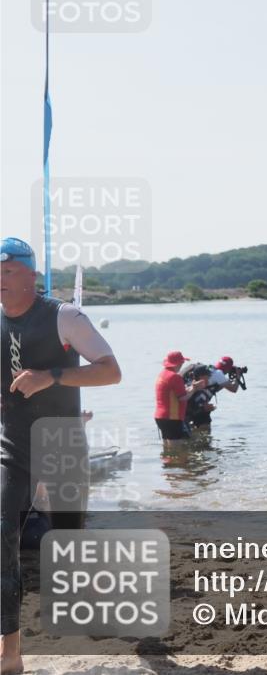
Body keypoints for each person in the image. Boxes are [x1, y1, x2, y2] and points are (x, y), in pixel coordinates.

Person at [0, 238, 121, 675]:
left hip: (62, 442)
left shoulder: (63, 316)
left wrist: (51, 377)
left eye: (9, 270)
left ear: (31, 275)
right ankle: (10, 653)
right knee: (3, 539)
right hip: (13, 447)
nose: (0, 279)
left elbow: (111, 371)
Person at [155, 351, 206, 445]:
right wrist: (194, 389)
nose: (182, 365)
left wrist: (191, 387)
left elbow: (175, 393)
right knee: (178, 451)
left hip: (161, 417)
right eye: (182, 363)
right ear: (178, 363)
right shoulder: (175, 377)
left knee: (168, 448)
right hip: (172, 418)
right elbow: (183, 398)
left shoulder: (162, 374)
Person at [184, 365, 216, 430]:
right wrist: (203, 409)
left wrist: (207, 408)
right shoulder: (190, 388)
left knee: (205, 424)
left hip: (200, 416)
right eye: (208, 375)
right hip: (186, 418)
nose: (210, 377)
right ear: (201, 376)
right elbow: (187, 409)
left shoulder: (206, 387)